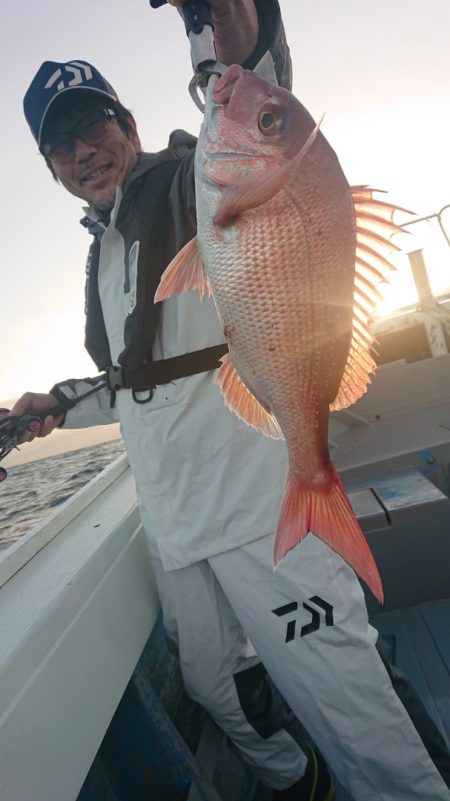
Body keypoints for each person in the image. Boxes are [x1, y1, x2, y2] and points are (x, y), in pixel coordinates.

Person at [15, 1, 450, 799]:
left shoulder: (190, 181)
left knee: (355, 702)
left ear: (130, 123)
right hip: (176, 528)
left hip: (256, 505)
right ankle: (298, 777)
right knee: (215, 686)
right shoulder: (98, 263)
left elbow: (264, 106)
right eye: (61, 143)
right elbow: (129, 383)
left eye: (96, 126)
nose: (85, 150)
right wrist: (51, 404)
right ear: (49, 168)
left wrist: (227, 34)